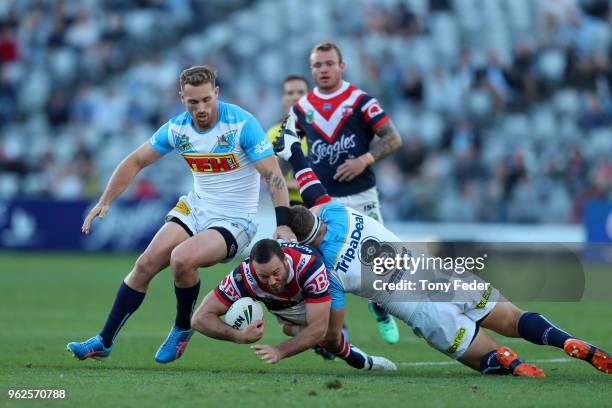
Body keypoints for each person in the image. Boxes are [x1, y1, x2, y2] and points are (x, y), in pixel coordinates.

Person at [273, 116, 612, 377]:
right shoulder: (338, 212)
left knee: (486, 361)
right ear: (315, 212)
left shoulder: (324, 267)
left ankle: (508, 362)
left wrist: (323, 340)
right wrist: (294, 152)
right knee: (515, 318)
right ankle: (561, 338)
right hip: (436, 274)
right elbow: (311, 184)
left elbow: (332, 328)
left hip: (416, 308)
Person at [67, 65, 296, 363]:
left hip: (236, 218)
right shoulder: (177, 129)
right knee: (146, 263)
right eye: (193, 102)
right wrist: (105, 200)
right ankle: (103, 341)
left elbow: (273, 175)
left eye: (206, 100)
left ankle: (181, 327)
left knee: (181, 259)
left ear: (216, 93)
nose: (201, 108)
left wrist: (283, 223)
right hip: (197, 206)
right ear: (181, 99)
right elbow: (136, 160)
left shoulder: (242, 124)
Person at [289, 42, 403, 344]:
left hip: (361, 193)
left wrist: (364, 160)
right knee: (322, 265)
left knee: (377, 262)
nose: (323, 69)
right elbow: (290, 150)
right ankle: (334, 330)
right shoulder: (301, 110)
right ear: (311, 69)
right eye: (317, 65)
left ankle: (381, 308)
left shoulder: (361, 101)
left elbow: (392, 138)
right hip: (323, 201)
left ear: (342, 66)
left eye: (329, 63)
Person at [191, 238, 396, 371]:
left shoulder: (308, 267)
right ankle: (292, 327)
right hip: (284, 306)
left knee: (329, 337)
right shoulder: (243, 277)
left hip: (322, 288)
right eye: (264, 276)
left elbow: (318, 329)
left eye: (276, 273)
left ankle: (363, 362)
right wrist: (238, 335)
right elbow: (199, 319)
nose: (271, 281)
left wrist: (279, 351)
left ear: (285, 261)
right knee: (301, 331)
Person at [266, 75, 309, 206]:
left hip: (324, 203)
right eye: (290, 93)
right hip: (290, 205)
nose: (295, 97)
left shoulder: (322, 129)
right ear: (283, 98)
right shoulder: (272, 134)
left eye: (301, 92)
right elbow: (269, 178)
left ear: (309, 96)